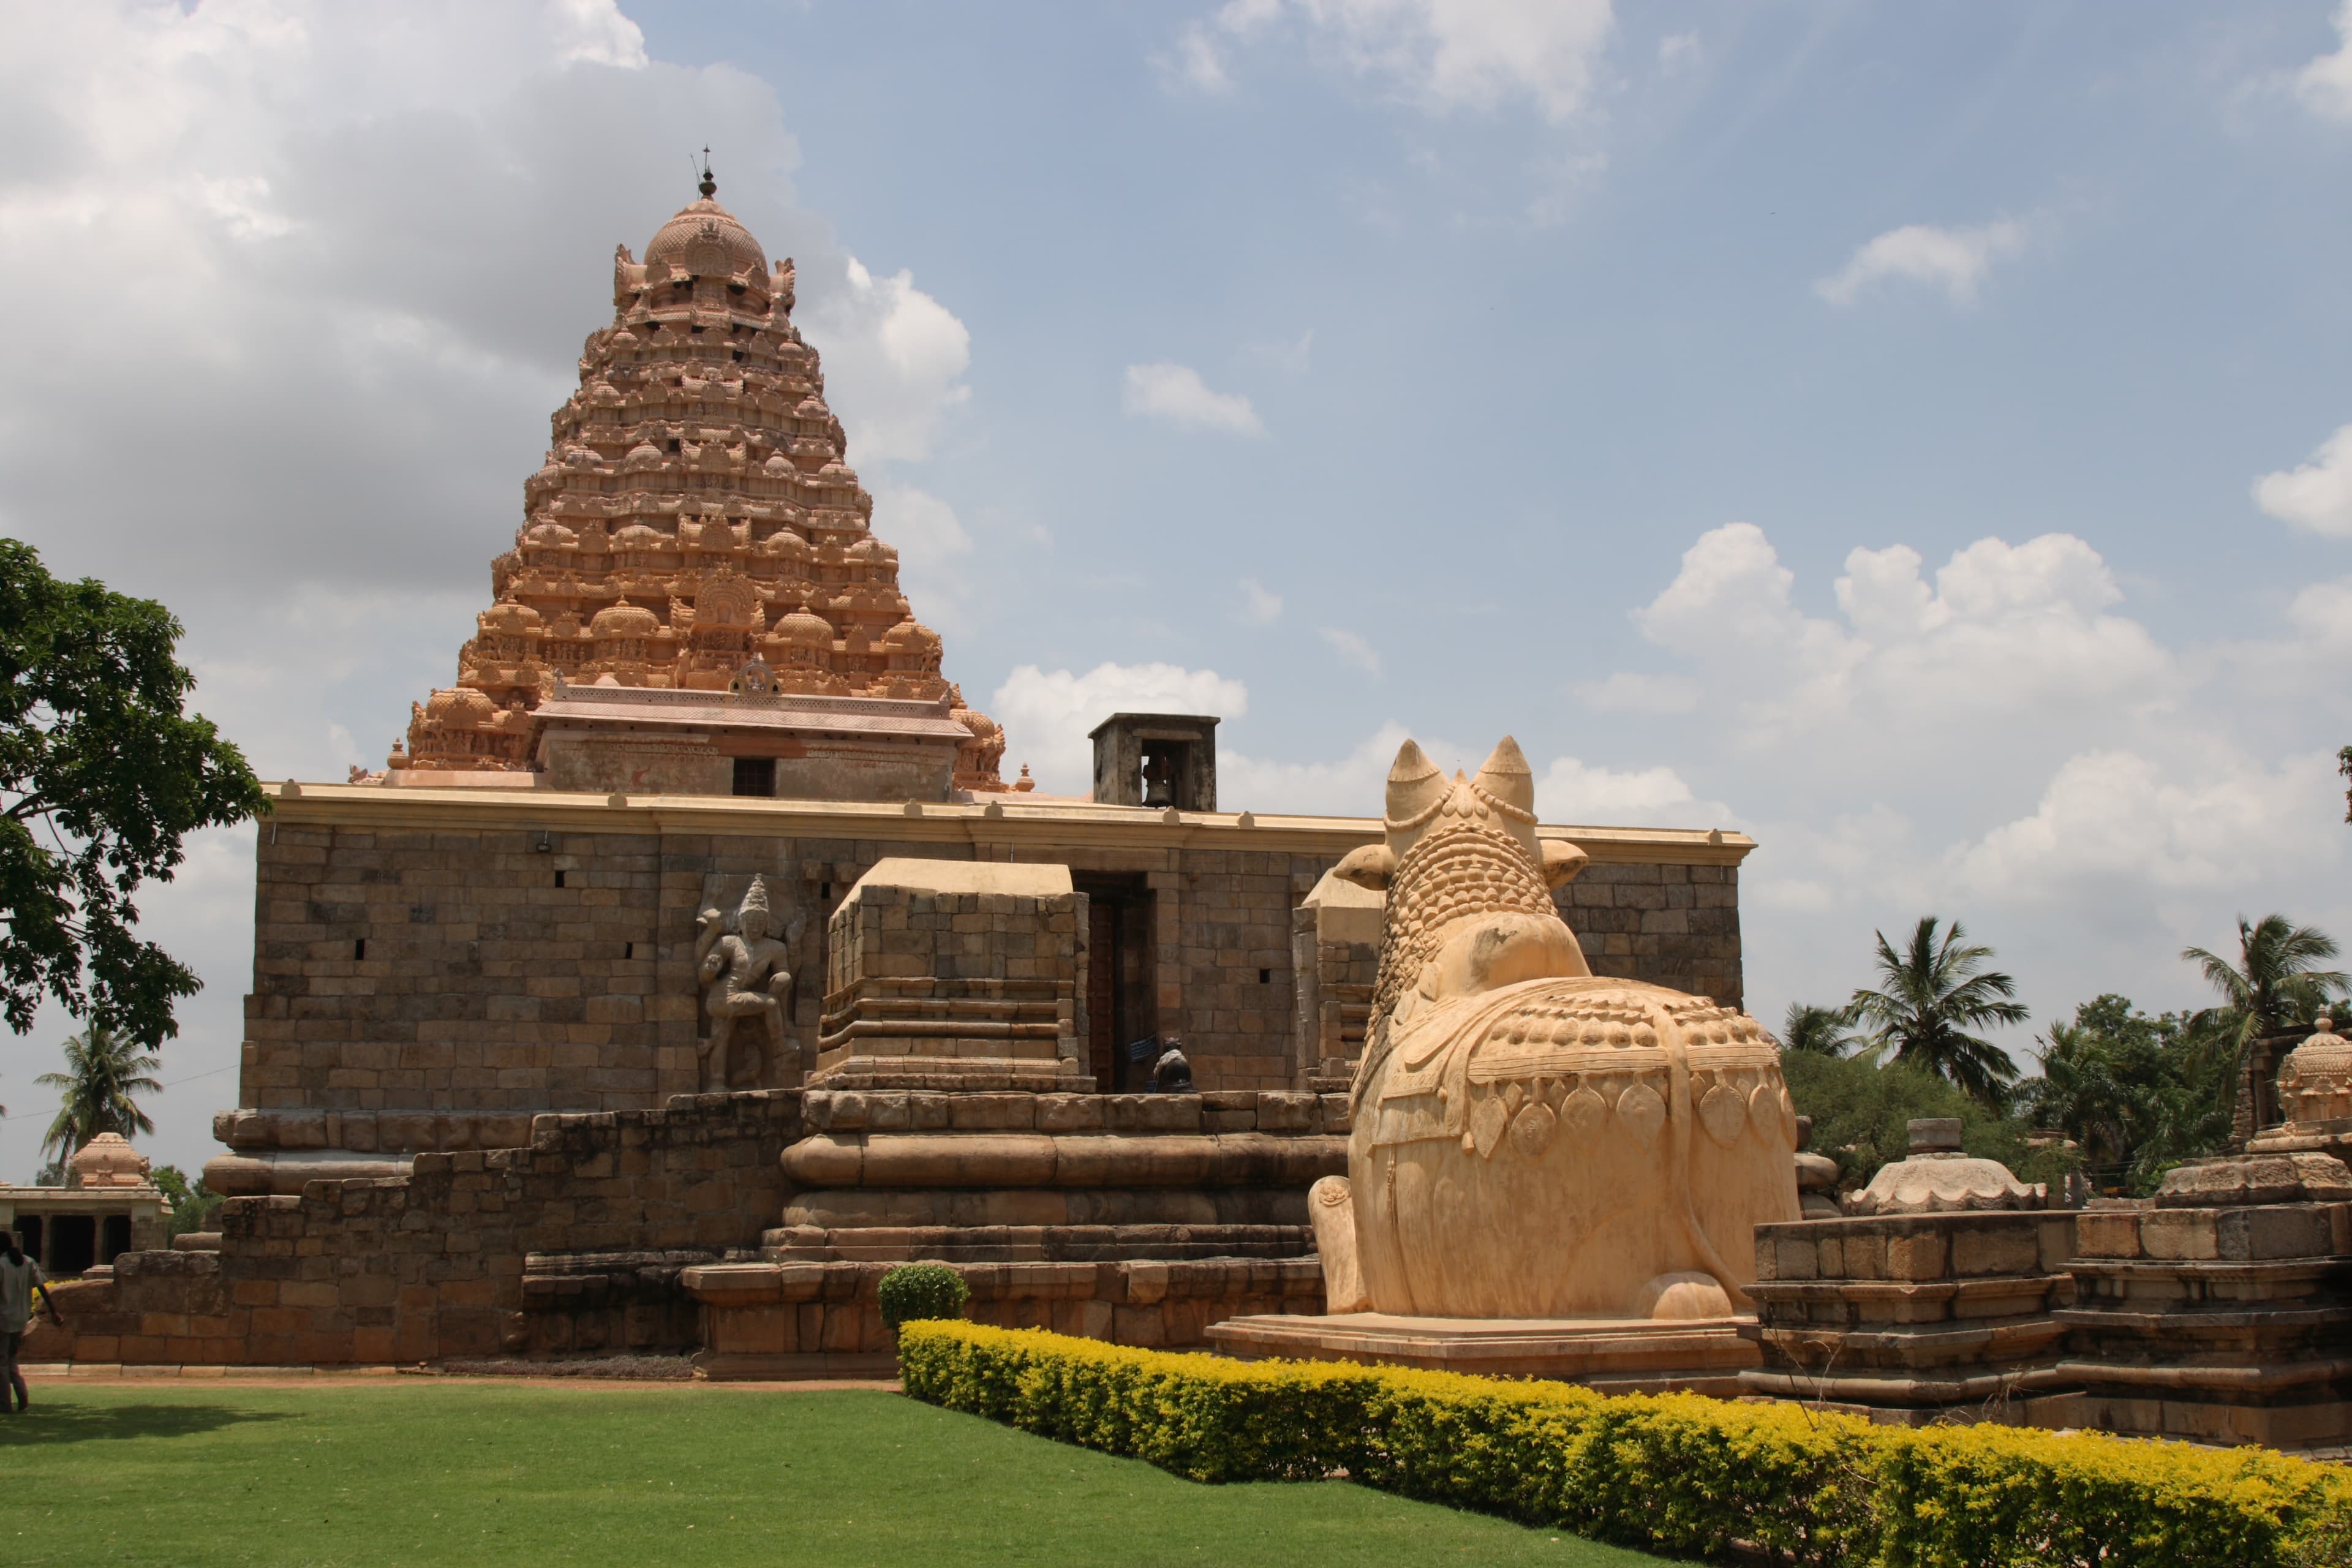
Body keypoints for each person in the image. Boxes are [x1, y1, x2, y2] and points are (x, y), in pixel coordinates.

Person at [1, 1229, 61, 1414]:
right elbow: (42, 1288)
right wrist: (54, 1312)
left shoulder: (1, 1264)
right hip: (20, 1319)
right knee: (10, 1359)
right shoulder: (27, 1262)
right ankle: (22, 1396)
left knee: (2, 1363)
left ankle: (5, 1404)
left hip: (2, 1319)